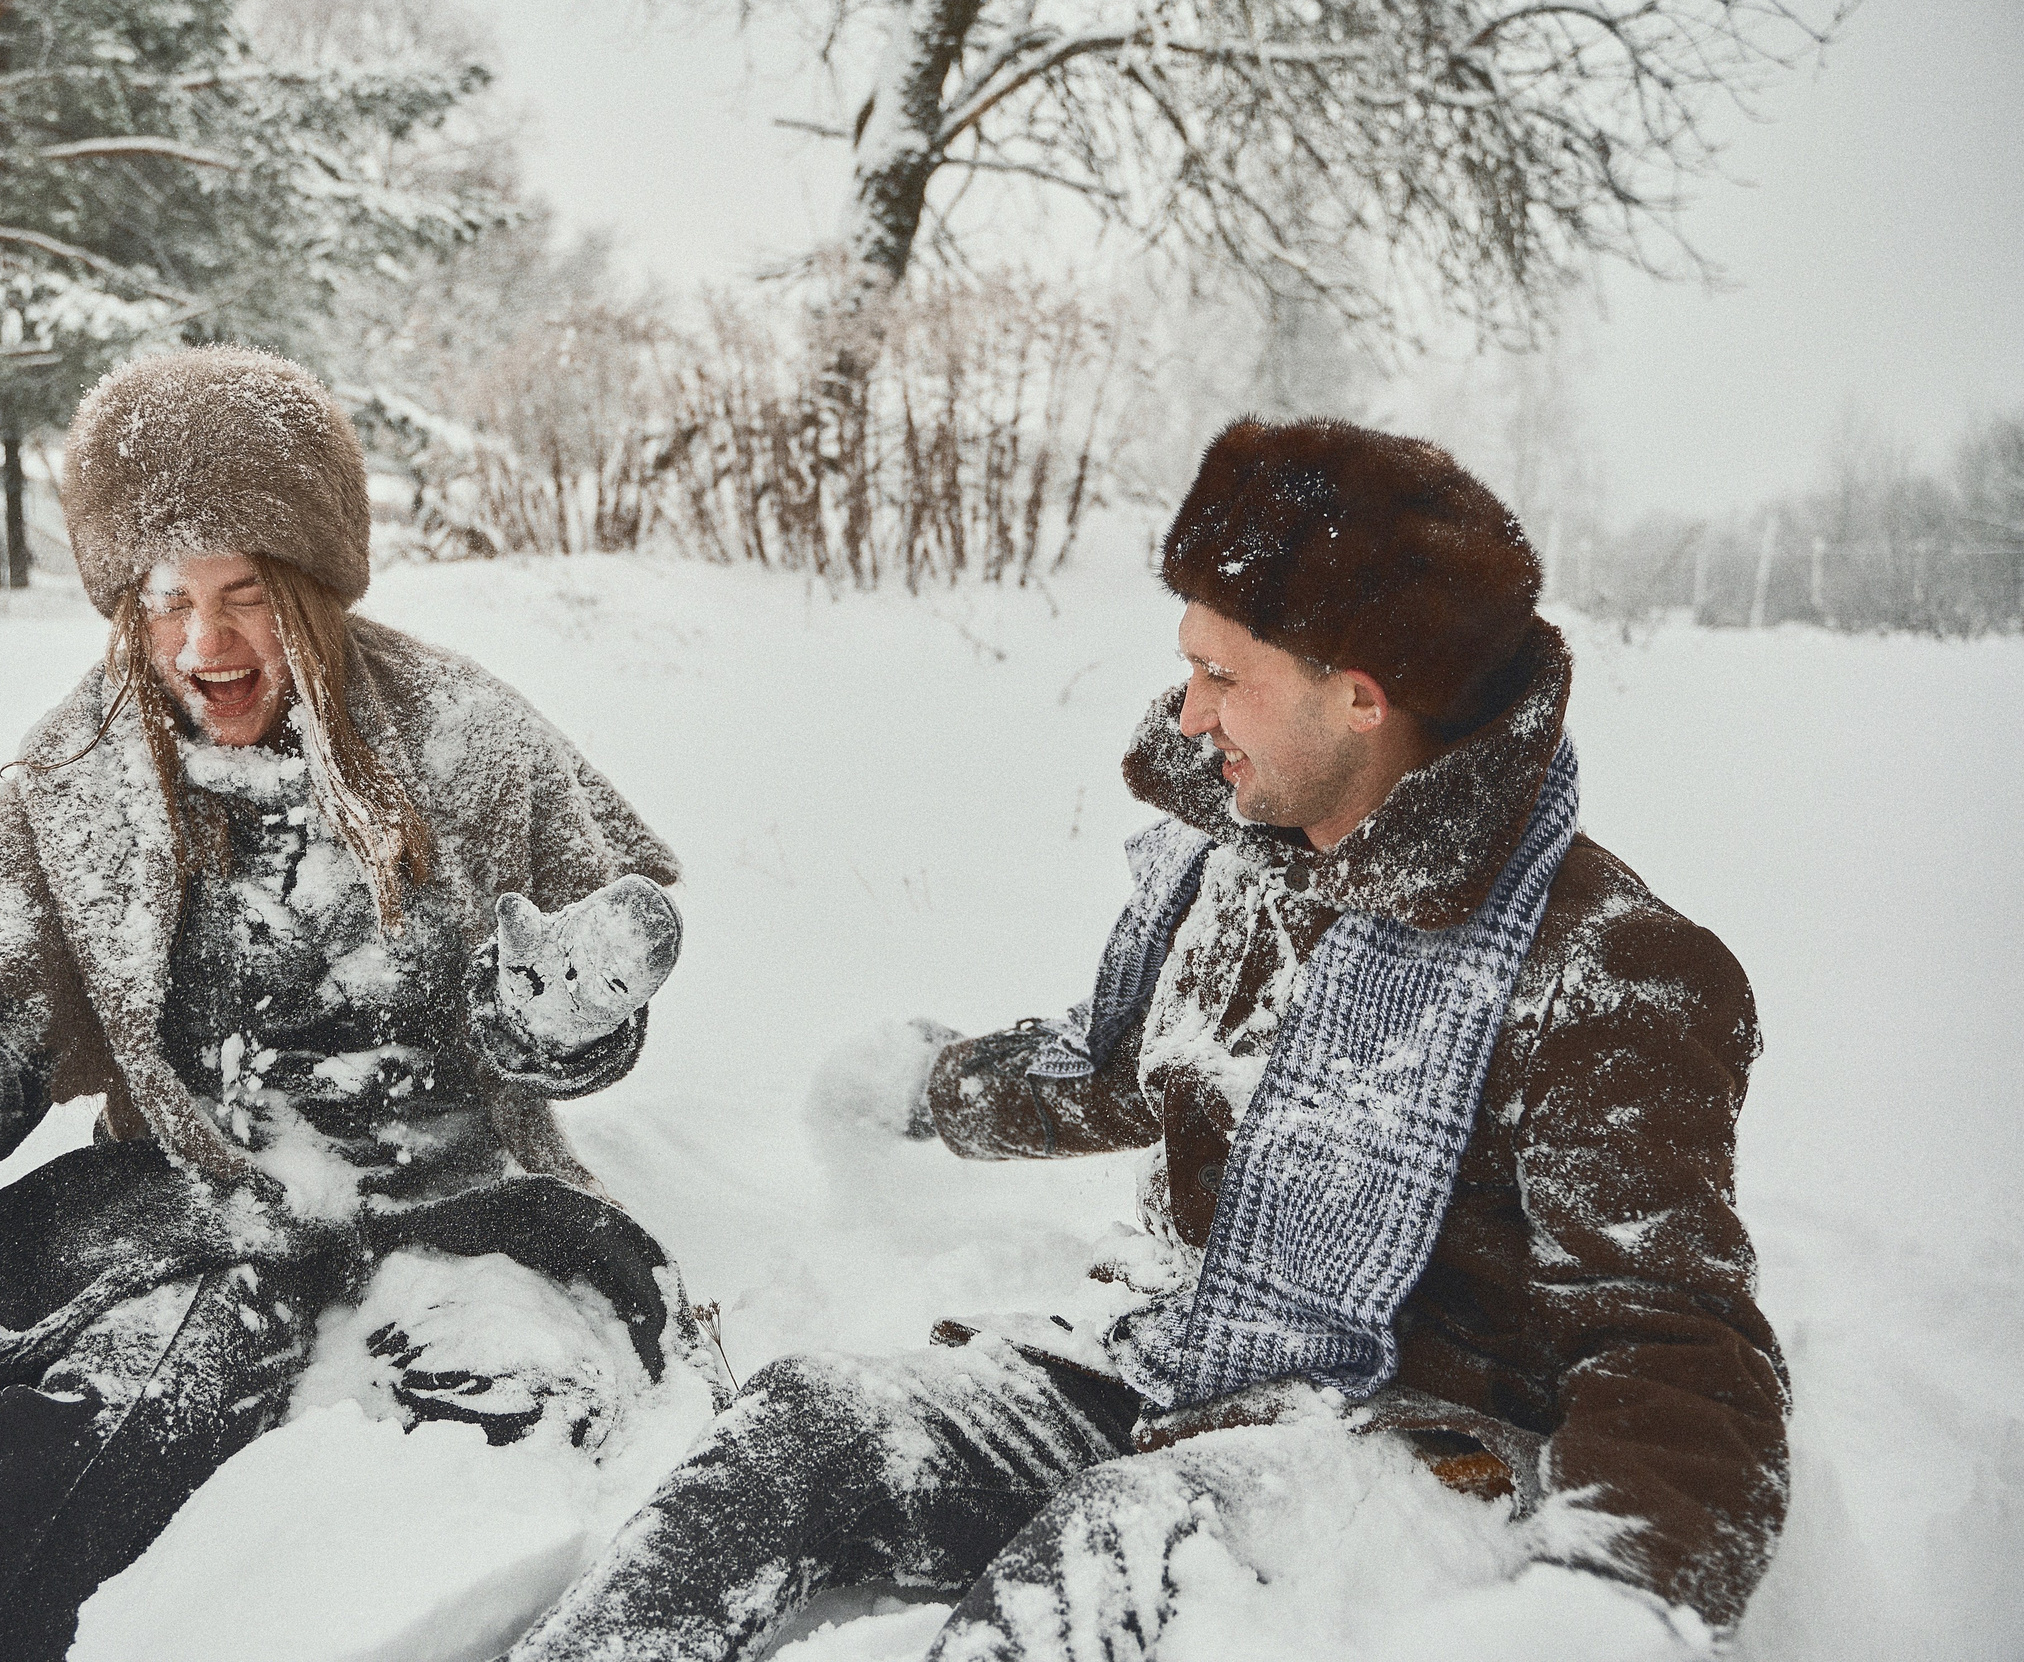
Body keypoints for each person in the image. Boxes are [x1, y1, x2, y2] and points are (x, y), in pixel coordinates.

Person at [504, 419, 1789, 1660]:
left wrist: (1611, 1606)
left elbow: (1678, 1351)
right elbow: (1145, 1072)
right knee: (804, 1427)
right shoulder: (1262, 862)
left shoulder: (1610, 974)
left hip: (1400, 1437)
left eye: (1224, 674)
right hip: (1178, 1355)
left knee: (1113, 1550)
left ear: (1359, 698)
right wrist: (940, 1091)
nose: (1185, 714)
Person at [0, 346, 712, 1662]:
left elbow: (583, 963)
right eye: (168, 600)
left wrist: (566, 1011)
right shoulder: (73, 778)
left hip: (463, 1211)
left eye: (246, 594)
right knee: (94, 1430)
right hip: (198, 1220)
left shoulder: (471, 736)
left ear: (310, 589)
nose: (206, 643)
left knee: (503, 1449)